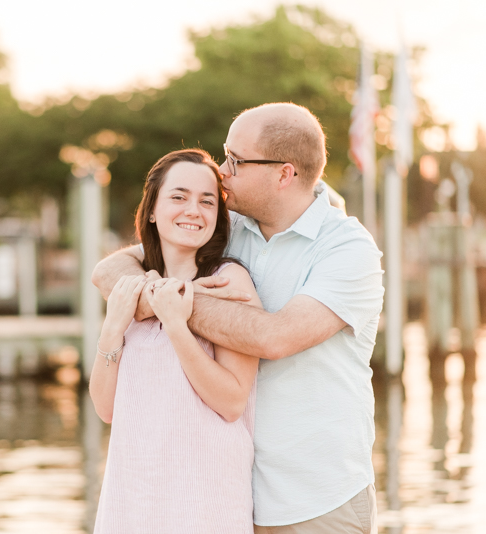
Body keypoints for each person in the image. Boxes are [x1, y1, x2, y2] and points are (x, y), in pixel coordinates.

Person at [92, 103, 385, 534]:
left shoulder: (347, 250)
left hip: (317, 498)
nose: (223, 172)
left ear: (284, 174)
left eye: (236, 160)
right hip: (232, 492)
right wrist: (155, 297)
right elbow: (111, 270)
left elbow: (274, 339)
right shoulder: (230, 226)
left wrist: (175, 306)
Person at [89, 148, 263, 533]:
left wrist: (177, 324)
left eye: (207, 201)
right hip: (133, 497)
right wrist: (112, 328)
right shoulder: (134, 287)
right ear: (152, 208)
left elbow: (232, 402)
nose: (193, 210)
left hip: (203, 502)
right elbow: (106, 407)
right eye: (179, 197)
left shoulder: (228, 281)